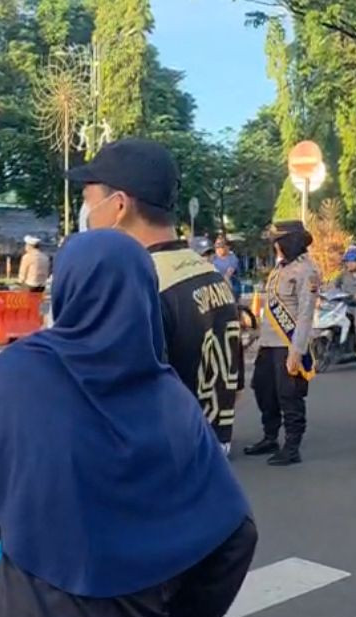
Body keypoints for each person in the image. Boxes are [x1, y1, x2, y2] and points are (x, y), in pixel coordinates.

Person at [0, 230, 257, 617]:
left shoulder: (13, 376)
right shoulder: (172, 402)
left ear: (67, 290)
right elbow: (236, 538)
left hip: (25, 609)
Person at [71, 137, 245, 455]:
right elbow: (236, 387)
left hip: (153, 472)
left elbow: (107, 401)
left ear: (119, 205)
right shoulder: (207, 273)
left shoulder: (137, 283)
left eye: (87, 198)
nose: (85, 213)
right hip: (207, 462)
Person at [244, 220, 321, 466]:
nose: (274, 246)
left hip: (288, 344)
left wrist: (296, 351)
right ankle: (270, 437)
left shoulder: (307, 271)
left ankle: (292, 446)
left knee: (289, 395)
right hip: (268, 343)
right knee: (263, 389)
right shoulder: (280, 267)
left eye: (278, 241)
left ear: (288, 243)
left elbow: (306, 314)